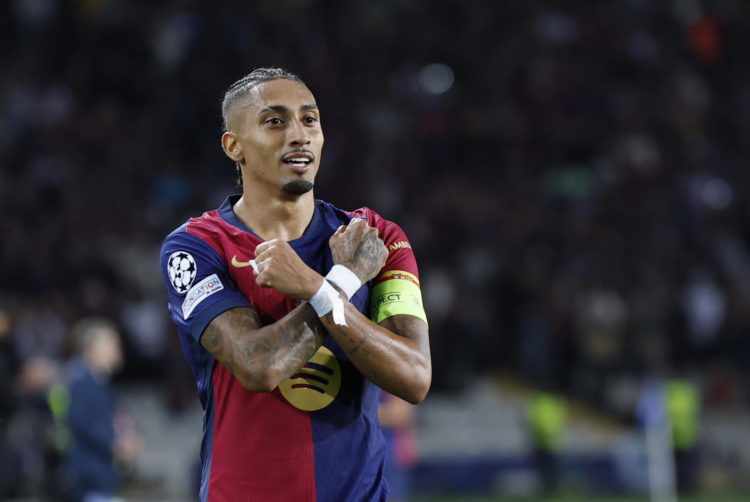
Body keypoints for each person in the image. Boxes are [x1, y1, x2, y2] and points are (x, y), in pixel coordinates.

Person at [159, 67, 431, 502]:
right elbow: (258, 366)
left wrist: (315, 287)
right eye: (275, 121)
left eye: (310, 119)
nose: (299, 134)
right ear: (234, 146)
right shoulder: (195, 248)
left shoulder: (376, 237)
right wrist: (339, 281)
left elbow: (414, 378)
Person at [64, 317, 142, 502]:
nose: (118, 349)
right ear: (92, 348)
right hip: (88, 478)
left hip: (100, 477)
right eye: (111, 343)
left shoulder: (99, 382)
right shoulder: (81, 381)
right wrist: (116, 443)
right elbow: (83, 422)